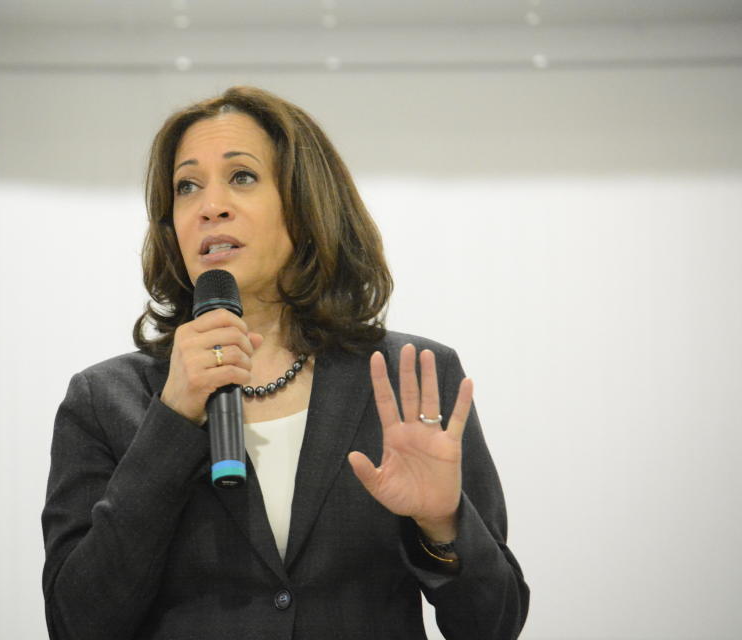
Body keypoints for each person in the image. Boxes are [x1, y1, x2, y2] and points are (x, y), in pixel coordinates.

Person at [41, 86, 529, 639]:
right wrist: (171, 421)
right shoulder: (104, 401)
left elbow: (495, 625)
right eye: (187, 186)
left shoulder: (410, 377)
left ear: (304, 202)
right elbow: (75, 624)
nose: (211, 205)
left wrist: (442, 526)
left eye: (242, 176)